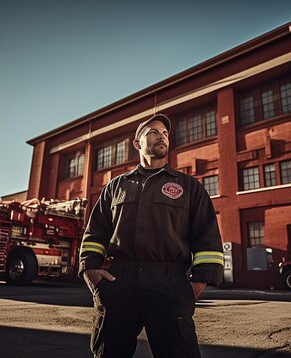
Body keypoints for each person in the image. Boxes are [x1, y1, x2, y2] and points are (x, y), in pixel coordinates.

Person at [79, 113, 224, 358]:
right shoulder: (116, 187)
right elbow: (95, 232)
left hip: (169, 282)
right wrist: (91, 273)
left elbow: (207, 237)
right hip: (119, 281)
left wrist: (193, 286)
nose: (162, 137)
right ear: (137, 143)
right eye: (154, 132)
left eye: (165, 133)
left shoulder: (189, 187)